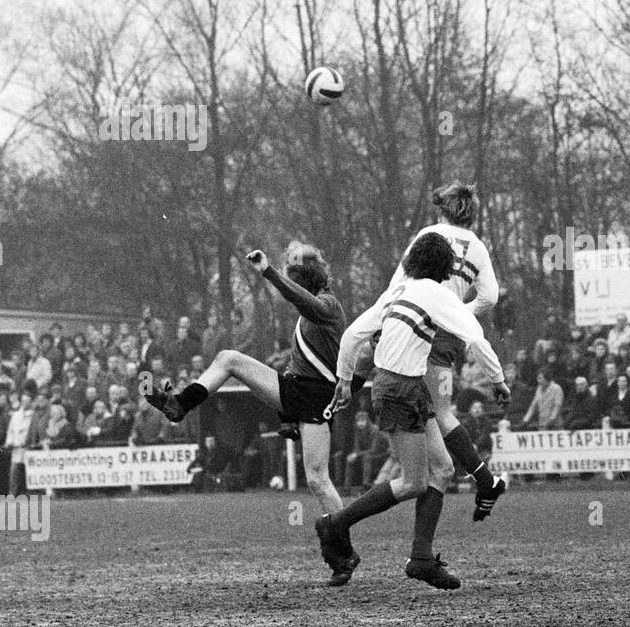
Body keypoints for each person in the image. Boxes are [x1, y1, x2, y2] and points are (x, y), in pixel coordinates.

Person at [317, 232, 510, 589]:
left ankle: (421, 558)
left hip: (401, 385)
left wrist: (345, 379)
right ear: (445, 267)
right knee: (413, 481)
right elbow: (476, 338)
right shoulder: (438, 295)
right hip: (399, 389)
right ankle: (336, 524)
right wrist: (498, 380)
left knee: (443, 468)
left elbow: (351, 337)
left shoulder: (396, 292)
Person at [145, 242, 347, 521]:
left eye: (293, 277)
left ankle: (343, 546)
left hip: (315, 399)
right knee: (228, 358)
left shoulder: (328, 305)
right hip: (296, 392)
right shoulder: (306, 317)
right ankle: (179, 404)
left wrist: (269, 272)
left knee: (317, 480)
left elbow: (302, 300)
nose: (289, 281)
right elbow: (302, 357)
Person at [382, 182, 507, 519]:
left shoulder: (429, 234)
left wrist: (383, 324)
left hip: (418, 328)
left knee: (426, 408)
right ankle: (483, 480)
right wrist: (462, 312)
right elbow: (491, 297)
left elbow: (398, 285)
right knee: (440, 410)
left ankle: (481, 480)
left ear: (442, 209)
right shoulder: (478, 248)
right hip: (449, 334)